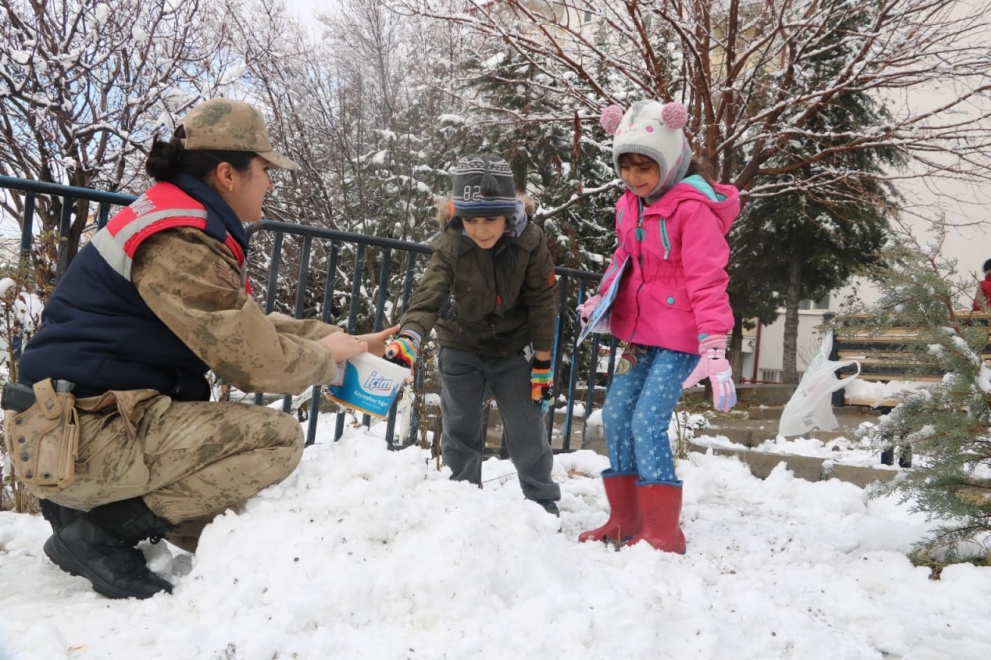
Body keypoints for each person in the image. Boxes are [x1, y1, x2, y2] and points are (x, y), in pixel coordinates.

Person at [3, 98, 396, 600]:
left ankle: (90, 511)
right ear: (228, 174)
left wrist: (346, 342)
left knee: (228, 517)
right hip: (79, 435)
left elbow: (242, 324)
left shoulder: (179, 220)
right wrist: (325, 360)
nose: (270, 183)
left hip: (89, 421)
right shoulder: (178, 241)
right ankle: (97, 531)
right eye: (266, 170)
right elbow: (253, 359)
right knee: (275, 440)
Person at [576, 100, 741, 553]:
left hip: (681, 338)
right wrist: (602, 298)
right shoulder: (629, 206)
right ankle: (625, 518)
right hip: (640, 334)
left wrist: (714, 343)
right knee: (615, 415)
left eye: (644, 167)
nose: (633, 177)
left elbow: (708, 278)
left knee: (647, 420)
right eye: (625, 166)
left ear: (669, 162)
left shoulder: (692, 209)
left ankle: (663, 531)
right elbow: (624, 258)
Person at [382, 153, 562, 515]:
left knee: (527, 426)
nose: (481, 229)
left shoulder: (529, 240)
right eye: (471, 219)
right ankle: (461, 501)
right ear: (457, 214)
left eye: (490, 219)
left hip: (512, 347)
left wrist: (543, 362)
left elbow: (543, 300)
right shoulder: (450, 243)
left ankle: (542, 499)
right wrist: (411, 337)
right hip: (460, 343)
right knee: (460, 426)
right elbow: (429, 294)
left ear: (508, 213)